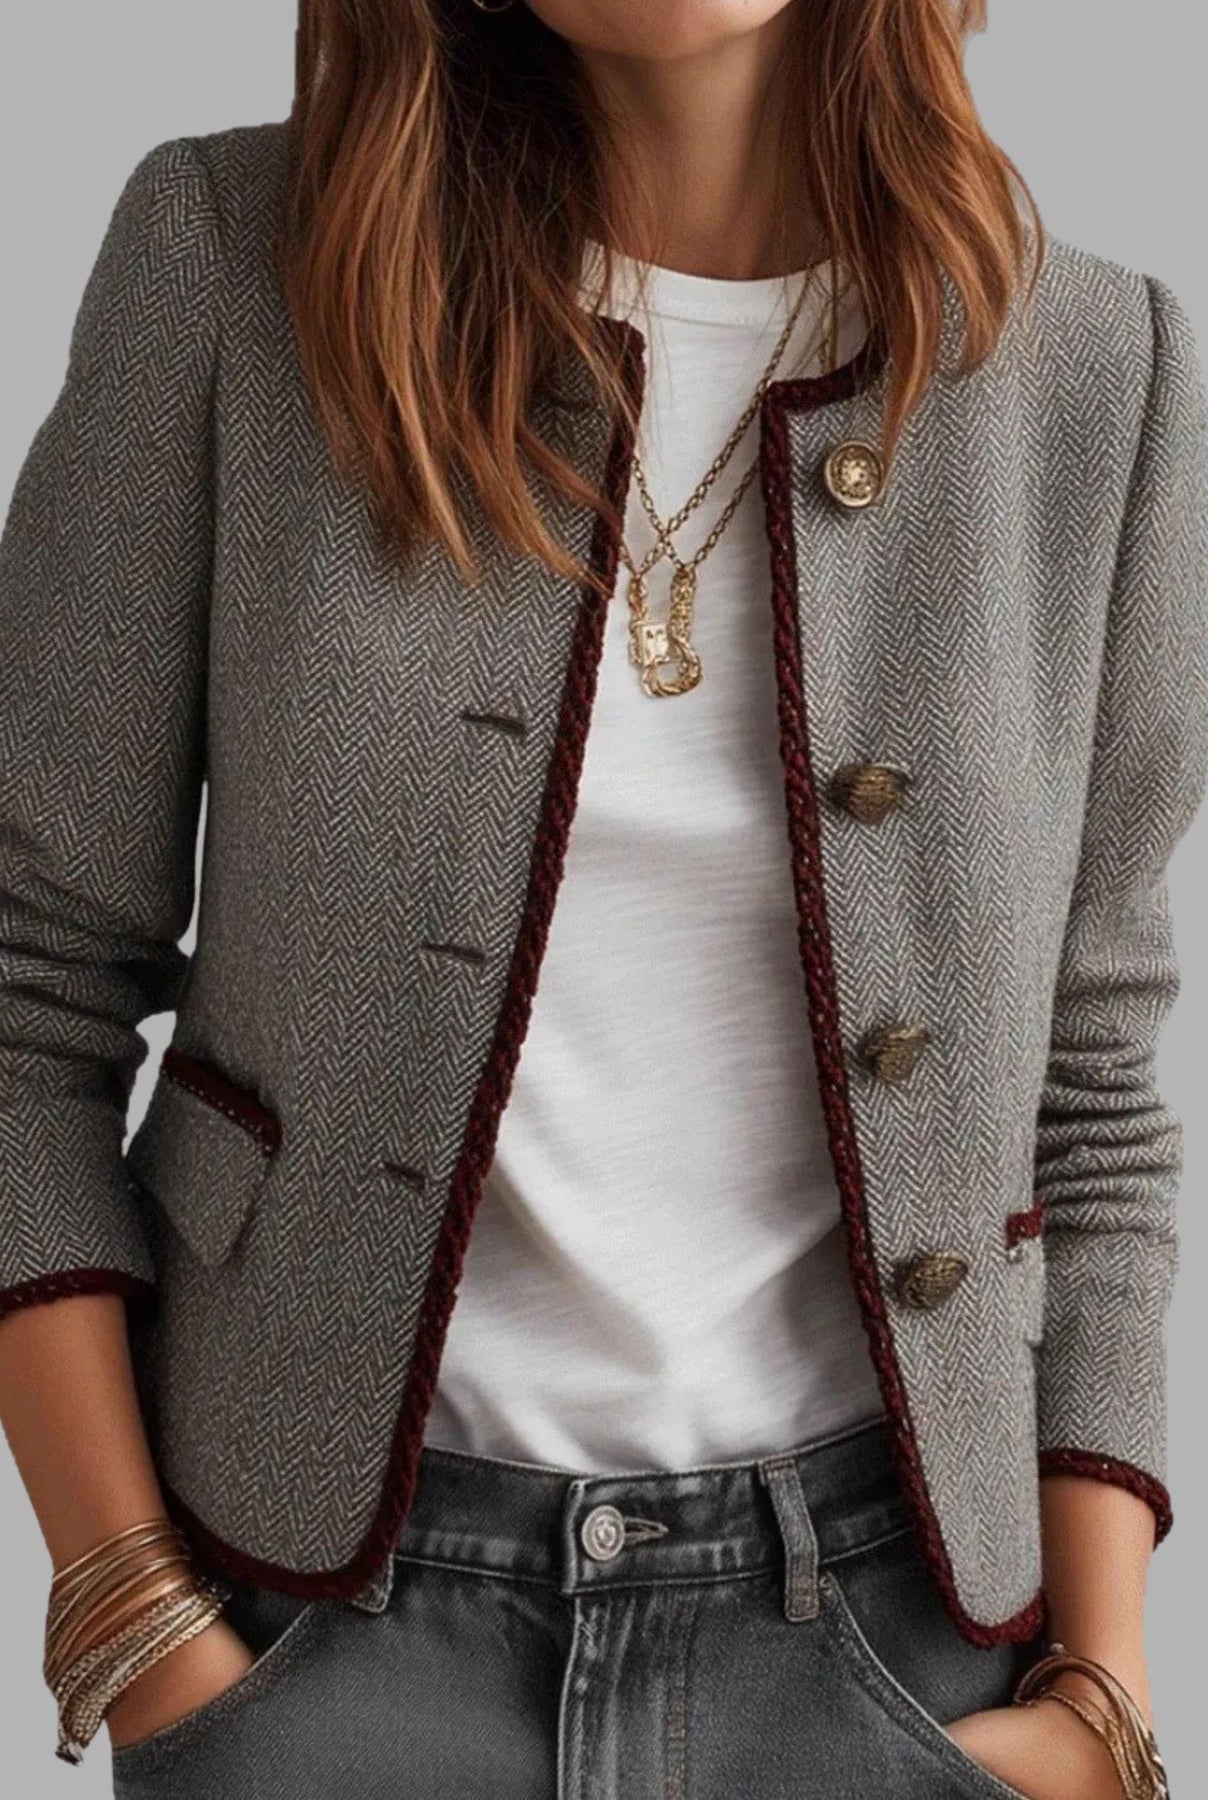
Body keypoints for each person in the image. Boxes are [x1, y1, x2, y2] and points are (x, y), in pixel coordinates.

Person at [0, 1, 1203, 1795]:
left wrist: (1102, 1693)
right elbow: (25, 991)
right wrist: (136, 1615)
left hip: (899, 1658)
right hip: (321, 1637)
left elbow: (1088, 1088)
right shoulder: (231, 272)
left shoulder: (1100, 371)